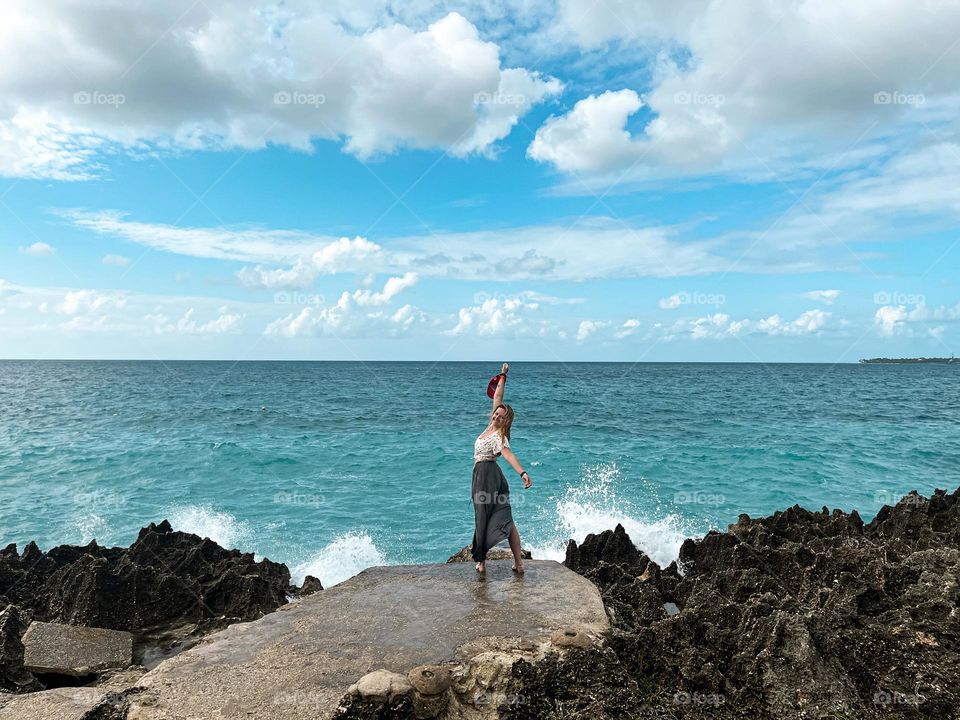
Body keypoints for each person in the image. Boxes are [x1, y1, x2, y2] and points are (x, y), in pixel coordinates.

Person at [471, 362, 532, 574]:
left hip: (489, 476)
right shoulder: (491, 426)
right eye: (495, 414)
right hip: (481, 475)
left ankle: (487, 562)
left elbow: (508, 455)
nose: (496, 416)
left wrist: (522, 472)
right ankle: (512, 562)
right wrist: (503, 376)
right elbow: (497, 398)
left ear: (505, 421)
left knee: (491, 516)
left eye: (500, 416)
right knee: (494, 517)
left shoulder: (499, 436)